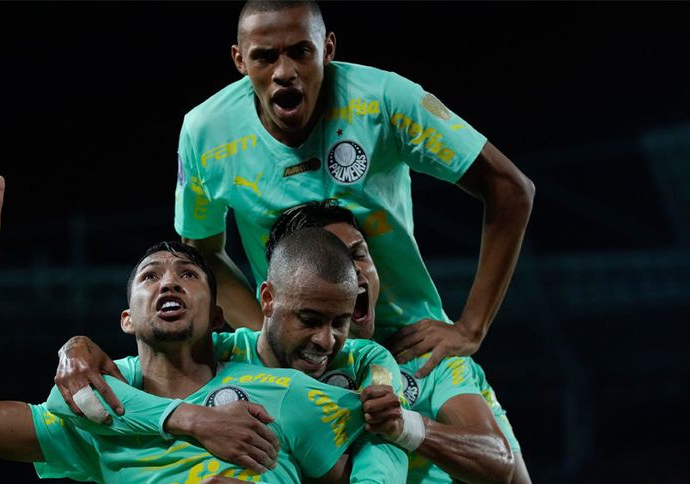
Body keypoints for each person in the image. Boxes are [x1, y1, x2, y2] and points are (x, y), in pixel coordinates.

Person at [0, 177, 401, 483]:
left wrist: (388, 390)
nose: (168, 282)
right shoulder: (97, 409)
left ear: (217, 317)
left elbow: (385, 438)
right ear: (126, 318)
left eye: (188, 275)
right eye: (149, 276)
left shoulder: (284, 391)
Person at [175, 0, 534, 376]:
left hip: (409, 348)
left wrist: (472, 327)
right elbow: (202, 251)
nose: (284, 72)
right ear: (239, 60)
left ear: (327, 48)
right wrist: (271, 339)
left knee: (475, 420)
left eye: (300, 52)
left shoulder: (385, 100)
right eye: (264, 57)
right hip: (303, 364)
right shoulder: (205, 133)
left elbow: (510, 189)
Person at [59, 202, 519, 483]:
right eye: (326, 261)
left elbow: (502, 467)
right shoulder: (227, 353)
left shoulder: (429, 359)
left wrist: (404, 426)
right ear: (279, 289)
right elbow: (138, 368)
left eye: (358, 255)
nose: (349, 272)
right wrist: (77, 348)